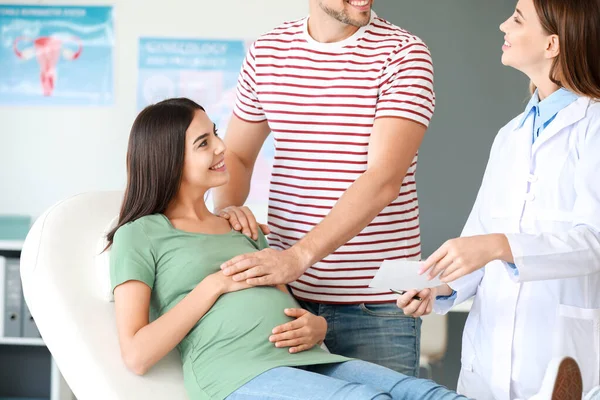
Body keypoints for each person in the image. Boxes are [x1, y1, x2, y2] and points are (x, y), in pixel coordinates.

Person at [107, 98, 475, 400]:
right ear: (167, 158)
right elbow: (137, 355)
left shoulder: (240, 224)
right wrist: (213, 285)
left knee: (430, 396)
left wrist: (316, 326)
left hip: (309, 359)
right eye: (203, 143)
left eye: (215, 133)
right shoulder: (139, 235)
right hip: (235, 373)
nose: (221, 146)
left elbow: (286, 303)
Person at [212, 0, 435, 375]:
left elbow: (383, 180)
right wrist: (229, 219)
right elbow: (237, 153)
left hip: (377, 307)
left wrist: (297, 257)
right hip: (285, 299)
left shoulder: (404, 53)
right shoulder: (268, 51)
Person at [397, 0, 600, 398]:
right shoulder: (511, 135)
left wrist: (500, 247)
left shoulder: (593, 128)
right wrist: (441, 288)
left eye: (518, 18)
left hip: (560, 351)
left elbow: (594, 241)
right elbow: (480, 237)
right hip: (487, 361)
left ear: (552, 45)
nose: (504, 25)